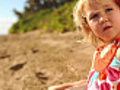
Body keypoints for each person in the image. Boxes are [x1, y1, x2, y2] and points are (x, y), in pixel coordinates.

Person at [48, 0, 120, 89]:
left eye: (108, 9)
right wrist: (72, 86)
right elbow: (96, 82)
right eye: (94, 16)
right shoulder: (99, 53)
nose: (103, 19)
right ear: (88, 26)